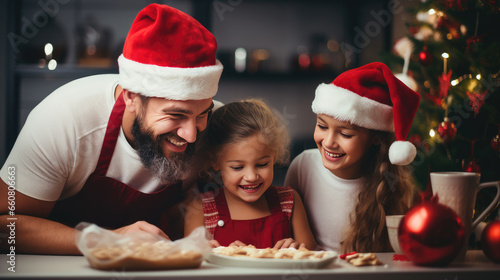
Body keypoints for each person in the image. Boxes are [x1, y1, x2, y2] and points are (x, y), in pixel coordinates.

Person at [0, 4, 223, 254]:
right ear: (131, 97)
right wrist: (108, 240)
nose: (191, 134)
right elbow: (4, 226)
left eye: (203, 113)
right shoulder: (65, 119)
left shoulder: (219, 127)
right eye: (176, 115)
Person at [285, 62, 420, 253]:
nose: (329, 142)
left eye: (345, 134)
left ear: (375, 138)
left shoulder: (391, 183)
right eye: (322, 126)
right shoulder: (302, 166)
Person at [184, 100, 317, 250]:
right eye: (237, 167)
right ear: (215, 161)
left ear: (274, 155)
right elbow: (191, 262)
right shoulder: (200, 209)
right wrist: (208, 254)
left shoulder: (290, 201)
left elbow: (311, 256)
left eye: (261, 164)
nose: (251, 176)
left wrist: (297, 249)